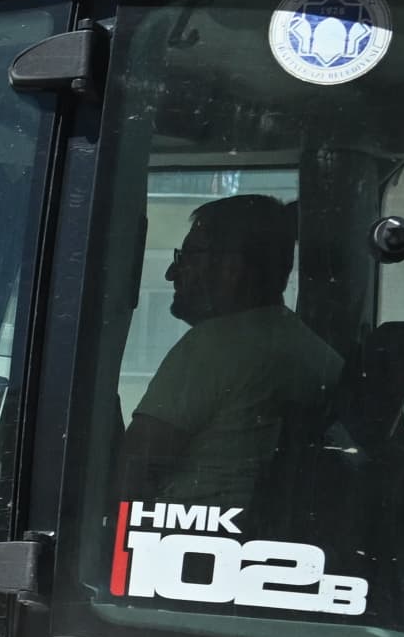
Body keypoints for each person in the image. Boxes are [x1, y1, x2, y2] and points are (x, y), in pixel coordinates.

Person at [122, 192, 338, 513]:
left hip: (181, 545)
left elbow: (127, 475)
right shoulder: (313, 351)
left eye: (189, 256)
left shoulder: (214, 345)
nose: (172, 272)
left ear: (231, 268)